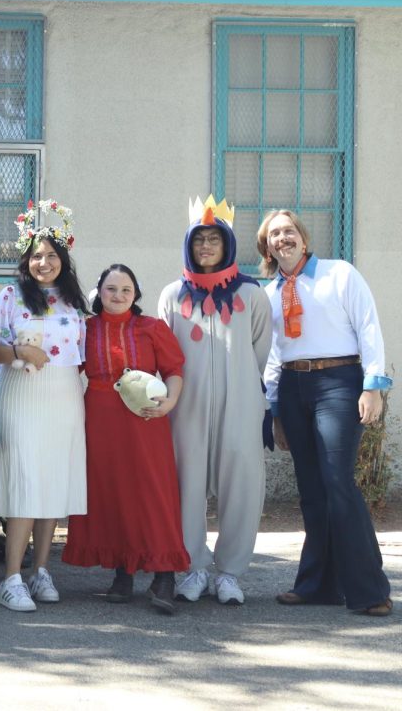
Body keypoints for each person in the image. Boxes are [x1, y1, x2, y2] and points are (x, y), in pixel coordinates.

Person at [259, 210, 393, 616]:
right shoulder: (268, 294)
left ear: (303, 236)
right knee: (312, 491)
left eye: (289, 230)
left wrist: (373, 386)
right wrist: (275, 409)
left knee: (338, 484)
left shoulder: (340, 274)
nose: (283, 238)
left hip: (339, 381)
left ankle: (371, 590)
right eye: (274, 234)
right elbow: (272, 355)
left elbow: (368, 327)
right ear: (266, 246)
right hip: (293, 386)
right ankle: (318, 585)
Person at [157, 197, 271, 605]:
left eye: (214, 239)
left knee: (242, 482)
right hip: (187, 404)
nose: (206, 246)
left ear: (227, 244)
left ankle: (229, 573)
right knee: (186, 484)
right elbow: (165, 353)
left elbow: (260, 349)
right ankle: (193, 567)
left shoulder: (253, 295)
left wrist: (241, 385)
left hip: (241, 402)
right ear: (189, 244)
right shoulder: (172, 295)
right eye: (199, 239)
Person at [63, 264, 190, 614]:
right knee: (112, 493)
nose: (117, 296)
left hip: (146, 420)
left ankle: (164, 574)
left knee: (153, 493)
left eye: (125, 290)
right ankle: (123, 571)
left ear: (135, 295)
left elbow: (175, 370)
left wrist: (170, 403)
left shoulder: (152, 328)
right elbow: (67, 368)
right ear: (98, 292)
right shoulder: (84, 329)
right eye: (110, 289)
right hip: (100, 419)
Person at [0, 200, 88, 612]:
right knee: (24, 480)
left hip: (64, 395)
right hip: (20, 396)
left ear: (63, 259)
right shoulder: (9, 297)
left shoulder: (74, 301)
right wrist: (19, 352)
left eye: (51, 256)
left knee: (52, 481)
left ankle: (41, 569)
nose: (43, 263)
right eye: (36, 256)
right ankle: (10, 577)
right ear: (25, 260)